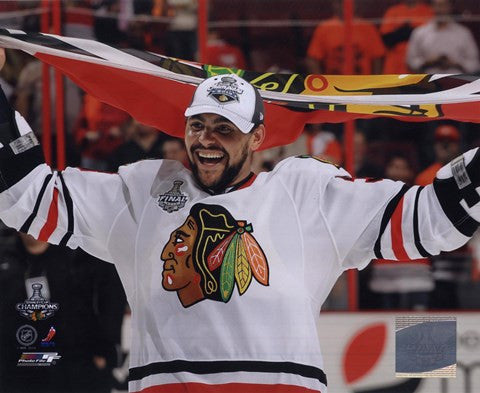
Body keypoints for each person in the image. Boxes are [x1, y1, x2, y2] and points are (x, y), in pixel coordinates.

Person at [0, 54, 479, 392]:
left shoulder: (305, 195)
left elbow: (430, 218)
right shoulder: (143, 192)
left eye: (224, 128)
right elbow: (27, 196)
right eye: (197, 125)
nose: (207, 139)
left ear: (258, 138)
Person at [0, 230, 126, 393]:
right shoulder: (6, 258)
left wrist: (106, 350)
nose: (31, 230)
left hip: (74, 364)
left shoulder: (78, 255)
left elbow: (109, 300)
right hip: (18, 366)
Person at [369, 154, 434, 310]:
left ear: (410, 172)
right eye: (394, 167)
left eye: (402, 168)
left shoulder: (422, 196)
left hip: (416, 265)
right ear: (387, 169)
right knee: (389, 317)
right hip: (386, 265)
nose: (398, 171)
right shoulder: (375, 196)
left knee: (418, 320)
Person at [306, 2, 385, 75]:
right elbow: (313, 59)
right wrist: (321, 84)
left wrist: (375, 85)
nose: (343, 5)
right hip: (334, 84)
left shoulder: (368, 28)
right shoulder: (324, 28)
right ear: (334, 4)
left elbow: (377, 58)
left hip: (363, 83)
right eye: (340, 2)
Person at [406, 0, 480, 74]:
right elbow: (411, 61)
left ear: (450, 7)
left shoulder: (463, 33)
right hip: (428, 83)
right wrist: (427, 62)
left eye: (444, 5)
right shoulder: (419, 33)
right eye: (437, 5)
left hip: (457, 82)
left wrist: (456, 63)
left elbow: (475, 63)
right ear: (431, 7)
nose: (440, 10)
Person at [380, 0, 433, 74]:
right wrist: (405, 32)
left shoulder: (428, 11)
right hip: (395, 67)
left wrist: (406, 32)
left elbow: (432, 40)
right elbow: (387, 40)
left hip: (420, 67)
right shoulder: (393, 11)